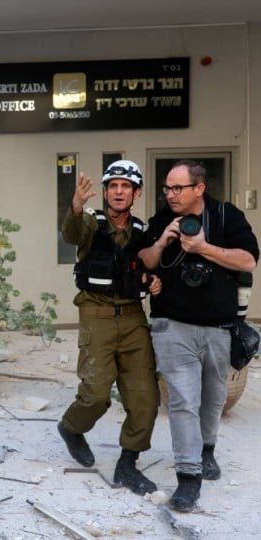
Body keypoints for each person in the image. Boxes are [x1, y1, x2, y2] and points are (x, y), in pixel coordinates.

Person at [138, 160, 258, 512]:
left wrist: (203, 248)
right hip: (172, 325)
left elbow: (248, 260)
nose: (170, 194)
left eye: (178, 188)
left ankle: (207, 450)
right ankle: (188, 477)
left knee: (213, 397)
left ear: (199, 188)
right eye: (167, 188)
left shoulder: (225, 216)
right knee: (182, 400)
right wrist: (162, 241)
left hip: (219, 327)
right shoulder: (163, 219)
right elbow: (145, 261)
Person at [56, 160, 162, 495]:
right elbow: (71, 234)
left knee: (146, 397)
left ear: (136, 193)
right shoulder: (91, 223)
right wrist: (76, 206)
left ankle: (128, 463)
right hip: (97, 313)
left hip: (133, 317)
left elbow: (147, 266)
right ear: (105, 192)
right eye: (113, 186)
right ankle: (72, 427)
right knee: (96, 394)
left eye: (125, 186)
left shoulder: (143, 231)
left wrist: (153, 280)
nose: (119, 192)